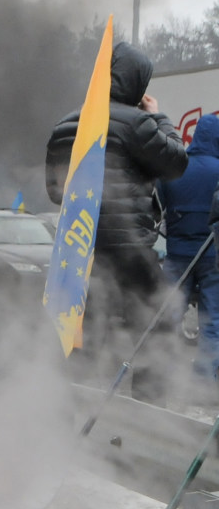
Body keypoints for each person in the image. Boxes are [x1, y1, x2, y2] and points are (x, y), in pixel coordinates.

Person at [45, 41, 186, 402]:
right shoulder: (138, 122)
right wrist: (159, 117)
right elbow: (176, 162)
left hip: (78, 248)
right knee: (157, 325)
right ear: (136, 82)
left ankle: (70, 405)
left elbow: (55, 192)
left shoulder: (64, 124)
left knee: (84, 330)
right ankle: (147, 413)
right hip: (128, 248)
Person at [160, 112, 219, 388]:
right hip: (212, 257)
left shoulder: (174, 167)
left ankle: (162, 370)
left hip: (177, 254)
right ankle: (205, 379)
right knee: (211, 319)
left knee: (169, 314)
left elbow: (157, 205)